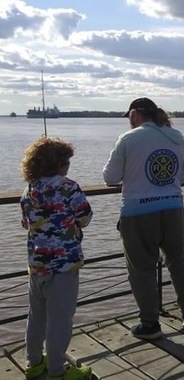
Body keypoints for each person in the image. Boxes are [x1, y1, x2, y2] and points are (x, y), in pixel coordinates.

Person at [103, 97, 184, 340]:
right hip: (173, 207)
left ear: (135, 114)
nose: (129, 121)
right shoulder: (176, 137)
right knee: (178, 262)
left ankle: (150, 324)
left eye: (129, 116)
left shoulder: (129, 139)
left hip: (138, 211)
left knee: (142, 269)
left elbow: (110, 177)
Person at [20, 137, 93, 380]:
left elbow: (26, 223)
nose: (68, 166)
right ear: (59, 164)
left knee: (37, 315)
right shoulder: (69, 187)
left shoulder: (28, 191)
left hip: (36, 264)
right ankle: (57, 371)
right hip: (64, 265)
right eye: (66, 162)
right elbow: (84, 217)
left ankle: (34, 363)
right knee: (60, 320)